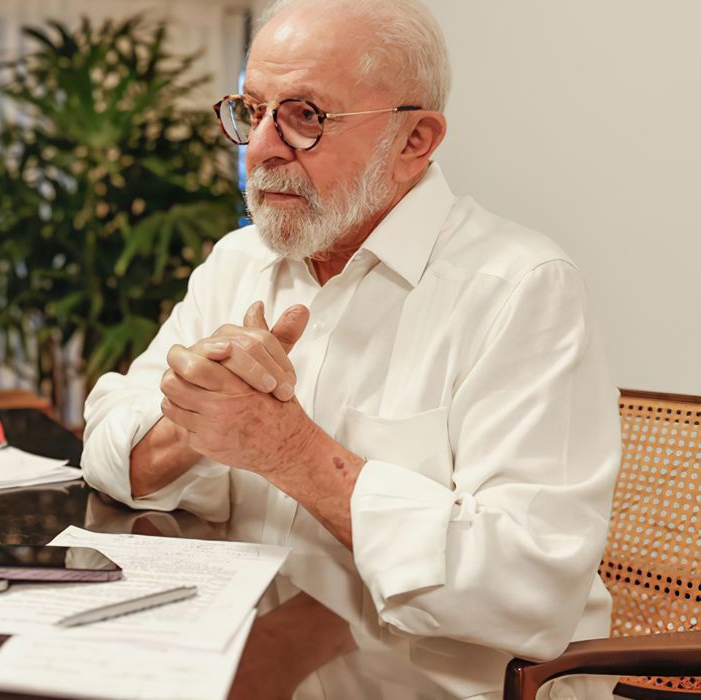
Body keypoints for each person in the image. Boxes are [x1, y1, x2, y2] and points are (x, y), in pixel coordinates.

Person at [81, 0, 621, 696]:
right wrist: (193, 422)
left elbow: (525, 586)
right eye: (252, 111)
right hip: (236, 658)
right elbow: (103, 443)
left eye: (305, 116)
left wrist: (288, 449)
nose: (261, 149)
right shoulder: (239, 262)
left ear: (415, 140)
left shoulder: (521, 289)